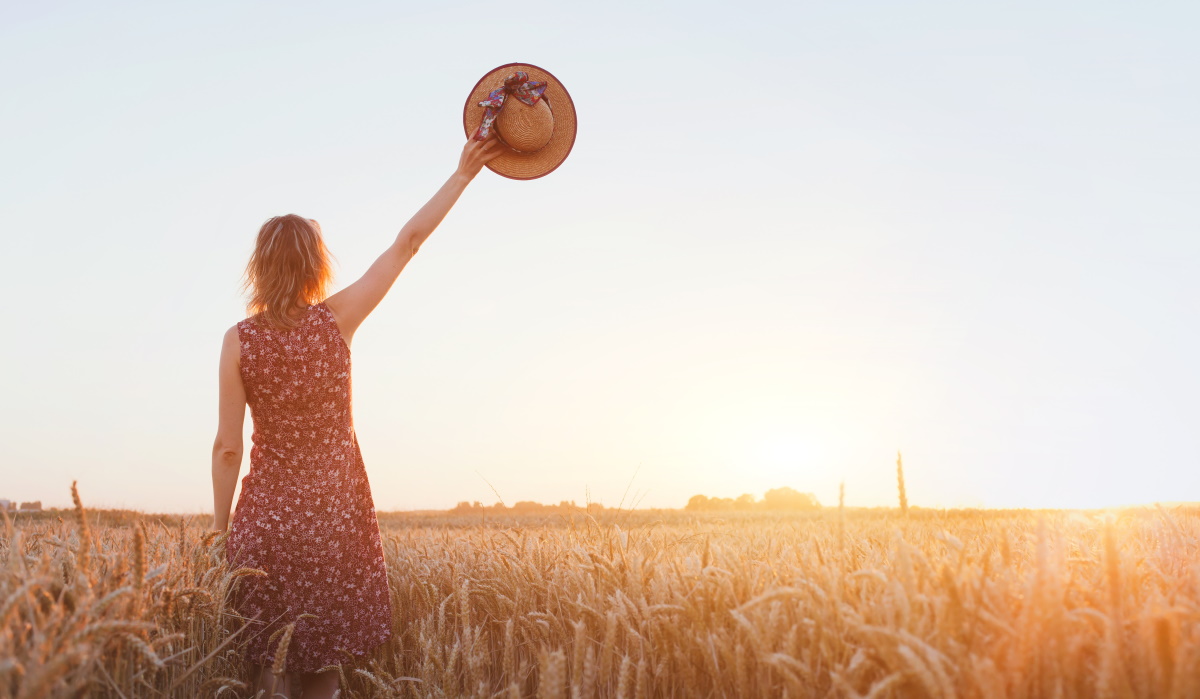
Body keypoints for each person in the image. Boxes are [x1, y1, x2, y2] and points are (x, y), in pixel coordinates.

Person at [210, 137, 503, 699]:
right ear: (316, 266)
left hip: (265, 527)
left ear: (259, 268)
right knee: (323, 671)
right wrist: (462, 175)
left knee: (267, 671)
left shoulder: (238, 342)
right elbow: (407, 244)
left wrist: (221, 536)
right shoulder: (338, 319)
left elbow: (228, 447)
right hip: (333, 524)